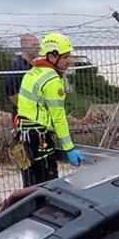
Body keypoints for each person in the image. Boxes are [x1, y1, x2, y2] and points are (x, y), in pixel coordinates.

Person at [15, 33, 83, 187]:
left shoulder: (33, 72)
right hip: (39, 138)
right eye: (65, 57)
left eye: (69, 56)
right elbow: (58, 117)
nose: (68, 61)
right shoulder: (52, 80)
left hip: (24, 136)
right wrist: (69, 148)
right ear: (52, 57)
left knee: (31, 185)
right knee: (47, 185)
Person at [5, 33, 40, 115]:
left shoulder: (38, 66)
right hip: (24, 115)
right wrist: (28, 109)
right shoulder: (17, 67)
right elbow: (11, 94)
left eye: (38, 45)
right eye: (34, 45)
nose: (37, 48)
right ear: (24, 47)